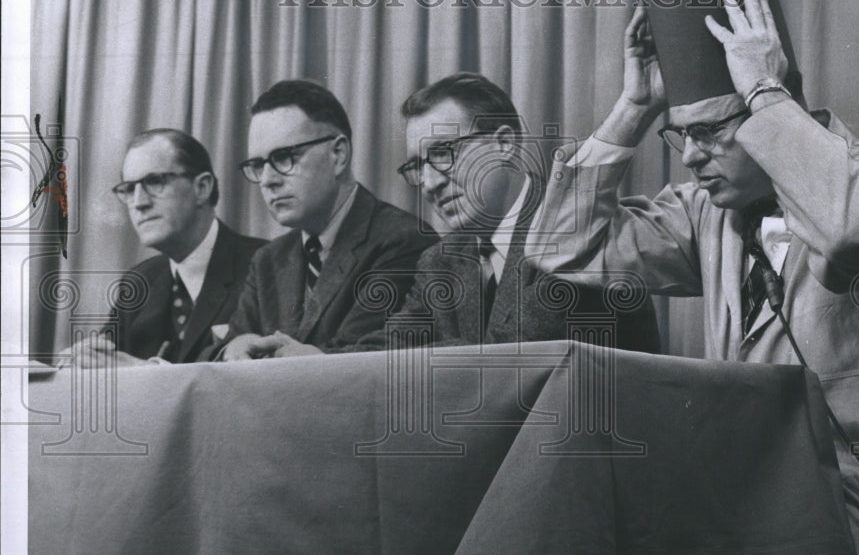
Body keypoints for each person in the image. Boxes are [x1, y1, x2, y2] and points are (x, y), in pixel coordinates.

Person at [527, 0, 859, 555]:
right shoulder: (710, 213)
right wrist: (633, 109)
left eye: (709, 133)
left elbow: (843, 229)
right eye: (681, 135)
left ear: (773, 105)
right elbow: (560, 250)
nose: (689, 156)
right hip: (747, 511)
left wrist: (763, 87)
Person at [328, 73, 659, 353]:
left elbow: (522, 357)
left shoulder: (576, 227)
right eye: (417, 166)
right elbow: (394, 345)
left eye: (443, 153)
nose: (429, 183)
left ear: (504, 144)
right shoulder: (441, 259)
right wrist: (317, 360)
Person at [217, 80, 437, 359]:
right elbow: (225, 349)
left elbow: (363, 359)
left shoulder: (403, 241)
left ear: (338, 154)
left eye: (284, 157)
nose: (268, 180)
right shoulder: (268, 260)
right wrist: (235, 346)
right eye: (259, 165)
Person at [72, 129, 266, 366]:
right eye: (129, 189)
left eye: (155, 182)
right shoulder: (138, 281)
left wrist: (144, 374)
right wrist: (83, 361)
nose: (139, 203)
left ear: (202, 188)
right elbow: (105, 365)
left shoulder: (265, 265)